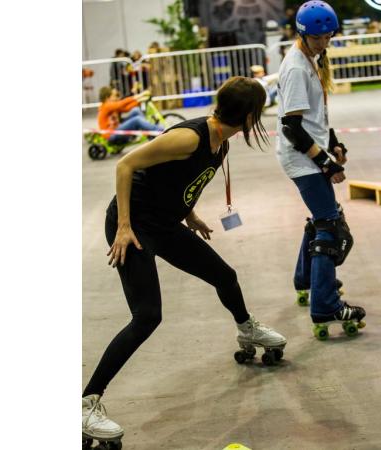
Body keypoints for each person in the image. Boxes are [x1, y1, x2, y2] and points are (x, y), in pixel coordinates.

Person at [83, 76, 287, 447]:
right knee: (147, 316)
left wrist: (189, 214)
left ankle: (247, 329)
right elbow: (125, 165)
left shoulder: (221, 142)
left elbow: (177, 180)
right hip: (134, 225)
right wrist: (124, 226)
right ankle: (86, 403)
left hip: (163, 223)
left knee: (224, 275)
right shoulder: (190, 138)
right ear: (248, 116)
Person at [275, 0, 366, 339]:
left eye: (329, 36)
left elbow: (313, 117)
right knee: (330, 226)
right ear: (303, 35)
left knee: (322, 218)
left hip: (308, 153)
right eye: (319, 38)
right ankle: (325, 305)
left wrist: (334, 142)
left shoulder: (310, 58)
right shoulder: (297, 68)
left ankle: (306, 280)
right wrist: (326, 164)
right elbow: (291, 127)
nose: (325, 42)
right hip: (301, 158)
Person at [96, 87, 162, 146]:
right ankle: (159, 131)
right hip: (111, 134)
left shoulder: (111, 105)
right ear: (107, 97)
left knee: (136, 110)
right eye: (113, 96)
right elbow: (120, 104)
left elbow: (126, 108)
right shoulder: (105, 106)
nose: (116, 98)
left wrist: (139, 101)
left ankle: (149, 131)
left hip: (117, 128)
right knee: (137, 120)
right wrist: (138, 96)